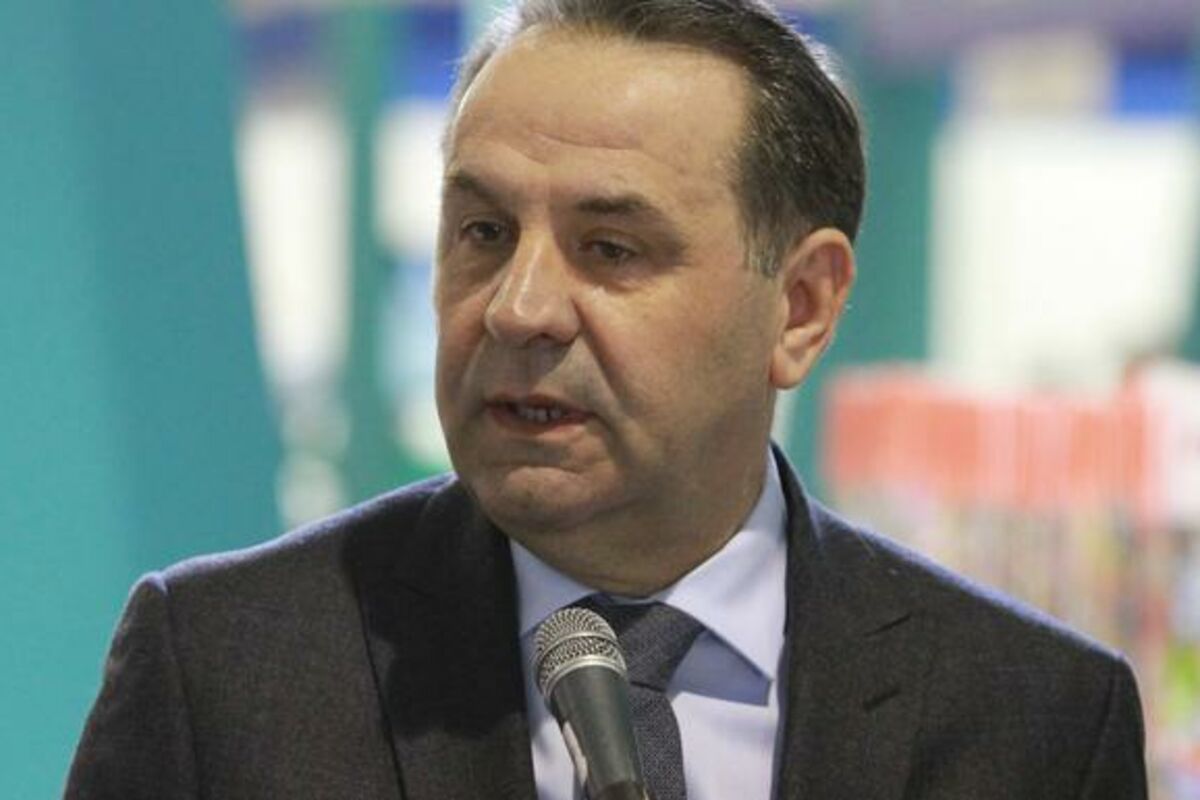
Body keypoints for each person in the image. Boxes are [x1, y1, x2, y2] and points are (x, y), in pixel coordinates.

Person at [66, 0, 1148, 798]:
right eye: (483, 232)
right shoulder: (226, 668)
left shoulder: (1032, 716)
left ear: (801, 307)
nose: (519, 308)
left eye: (611, 248)